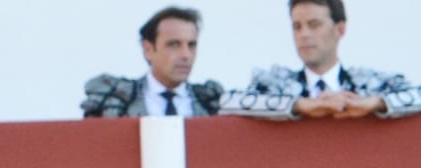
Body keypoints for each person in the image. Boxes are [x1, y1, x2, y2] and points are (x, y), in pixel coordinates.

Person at [220, 0, 421, 118]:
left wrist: (377, 102)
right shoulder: (275, 86)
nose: (304, 34)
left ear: (340, 29)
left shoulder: (369, 85)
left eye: (314, 25)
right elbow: (226, 102)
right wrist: (300, 105)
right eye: (297, 26)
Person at [82, 7, 223, 117]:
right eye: (174, 44)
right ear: (148, 49)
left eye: (191, 45)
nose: (186, 55)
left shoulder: (212, 103)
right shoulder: (116, 100)